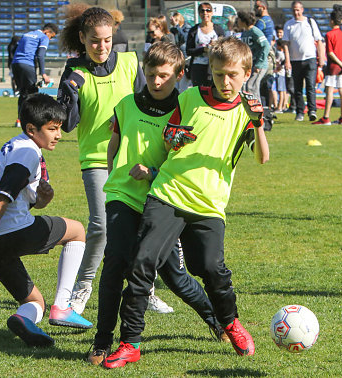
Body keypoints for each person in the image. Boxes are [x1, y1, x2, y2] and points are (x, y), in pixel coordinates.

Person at [103, 37, 269, 369]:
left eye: (233, 75)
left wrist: (258, 122)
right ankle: (130, 342)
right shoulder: (191, 97)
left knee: (210, 268)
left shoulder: (249, 110)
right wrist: (174, 139)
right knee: (142, 264)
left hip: (209, 204)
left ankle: (231, 323)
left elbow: (262, 158)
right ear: (210, 71)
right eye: (219, 74)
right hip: (167, 193)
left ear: (247, 73)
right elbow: (170, 137)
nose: (225, 81)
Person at [87, 41, 229, 366]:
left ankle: (215, 321)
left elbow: (185, 162)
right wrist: (114, 178)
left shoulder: (186, 112)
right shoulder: (126, 104)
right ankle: (102, 342)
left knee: (176, 278)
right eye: (151, 74)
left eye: (164, 75)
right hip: (123, 198)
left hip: (164, 202)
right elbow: (115, 141)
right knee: (113, 268)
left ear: (178, 75)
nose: (156, 81)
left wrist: (151, 172)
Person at [57, 4, 172, 317]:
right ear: (82, 38)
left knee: (141, 227)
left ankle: (144, 288)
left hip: (133, 159)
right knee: (101, 227)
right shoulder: (74, 71)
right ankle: (80, 293)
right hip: (95, 160)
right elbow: (66, 125)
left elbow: (145, 104)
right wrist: (70, 93)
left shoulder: (130, 62)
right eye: (94, 41)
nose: (101, 47)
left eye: (107, 40)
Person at [0, 93, 92, 348]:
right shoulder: (27, 153)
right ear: (32, 129)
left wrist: (43, 198)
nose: (59, 135)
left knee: (34, 303)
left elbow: (26, 198)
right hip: (9, 233)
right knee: (76, 231)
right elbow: (1, 197)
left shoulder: (15, 145)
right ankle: (63, 308)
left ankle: (23, 319)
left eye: (59, 128)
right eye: (52, 129)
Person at [283, 1, 325, 122]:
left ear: (302, 10)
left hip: (310, 59)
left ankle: (312, 110)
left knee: (311, 86)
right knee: (297, 88)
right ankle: (300, 111)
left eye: (298, 10)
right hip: (295, 60)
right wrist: (287, 60)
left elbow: (319, 41)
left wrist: (321, 57)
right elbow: (286, 44)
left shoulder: (310, 23)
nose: (296, 12)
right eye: (294, 10)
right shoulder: (289, 25)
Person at [12, 23, 59, 121]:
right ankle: (31, 119)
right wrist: (43, 74)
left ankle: (19, 119)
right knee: (33, 93)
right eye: (51, 36)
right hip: (27, 64)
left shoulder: (26, 34)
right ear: (47, 32)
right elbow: (40, 55)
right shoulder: (43, 37)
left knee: (23, 93)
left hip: (15, 64)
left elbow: (13, 49)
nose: (50, 39)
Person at [312, 9, 342, 126]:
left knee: (329, 90)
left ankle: (326, 117)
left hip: (333, 66)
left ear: (332, 21)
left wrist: (339, 63)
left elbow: (330, 53)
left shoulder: (329, 34)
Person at [186, 2, 225, 87]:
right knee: (198, 91)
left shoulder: (218, 29)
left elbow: (224, 48)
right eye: (202, 11)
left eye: (208, 10)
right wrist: (203, 49)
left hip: (214, 66)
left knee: (212, 91)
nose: (205, 13)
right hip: (197, 66)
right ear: (199, 13)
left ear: (212, 13)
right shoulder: (194, 30)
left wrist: (215, 47)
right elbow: (188, 51)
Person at [237, 11, 270, 100]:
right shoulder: (244, 33)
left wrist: (259, 63)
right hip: (250, 64)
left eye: (239, 19)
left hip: (259, 65)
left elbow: (266, 46)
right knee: (246, 86)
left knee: (252, 86)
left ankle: (257, 111)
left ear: (243, 20)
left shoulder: (255, 31)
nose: (237, 21)